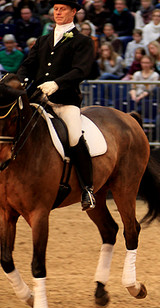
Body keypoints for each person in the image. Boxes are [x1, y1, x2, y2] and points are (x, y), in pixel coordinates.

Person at [17, 0, 97, 210]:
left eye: (63, 9)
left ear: (73, 12)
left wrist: (57, 83)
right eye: (56, 9)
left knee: (73, 136)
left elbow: (81, 70)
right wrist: (21, 81)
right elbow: (27, 66)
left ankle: (87, 188)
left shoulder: (82, 41)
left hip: (65, 101)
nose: (58, 12)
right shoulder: (43, 40)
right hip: (37, 99)